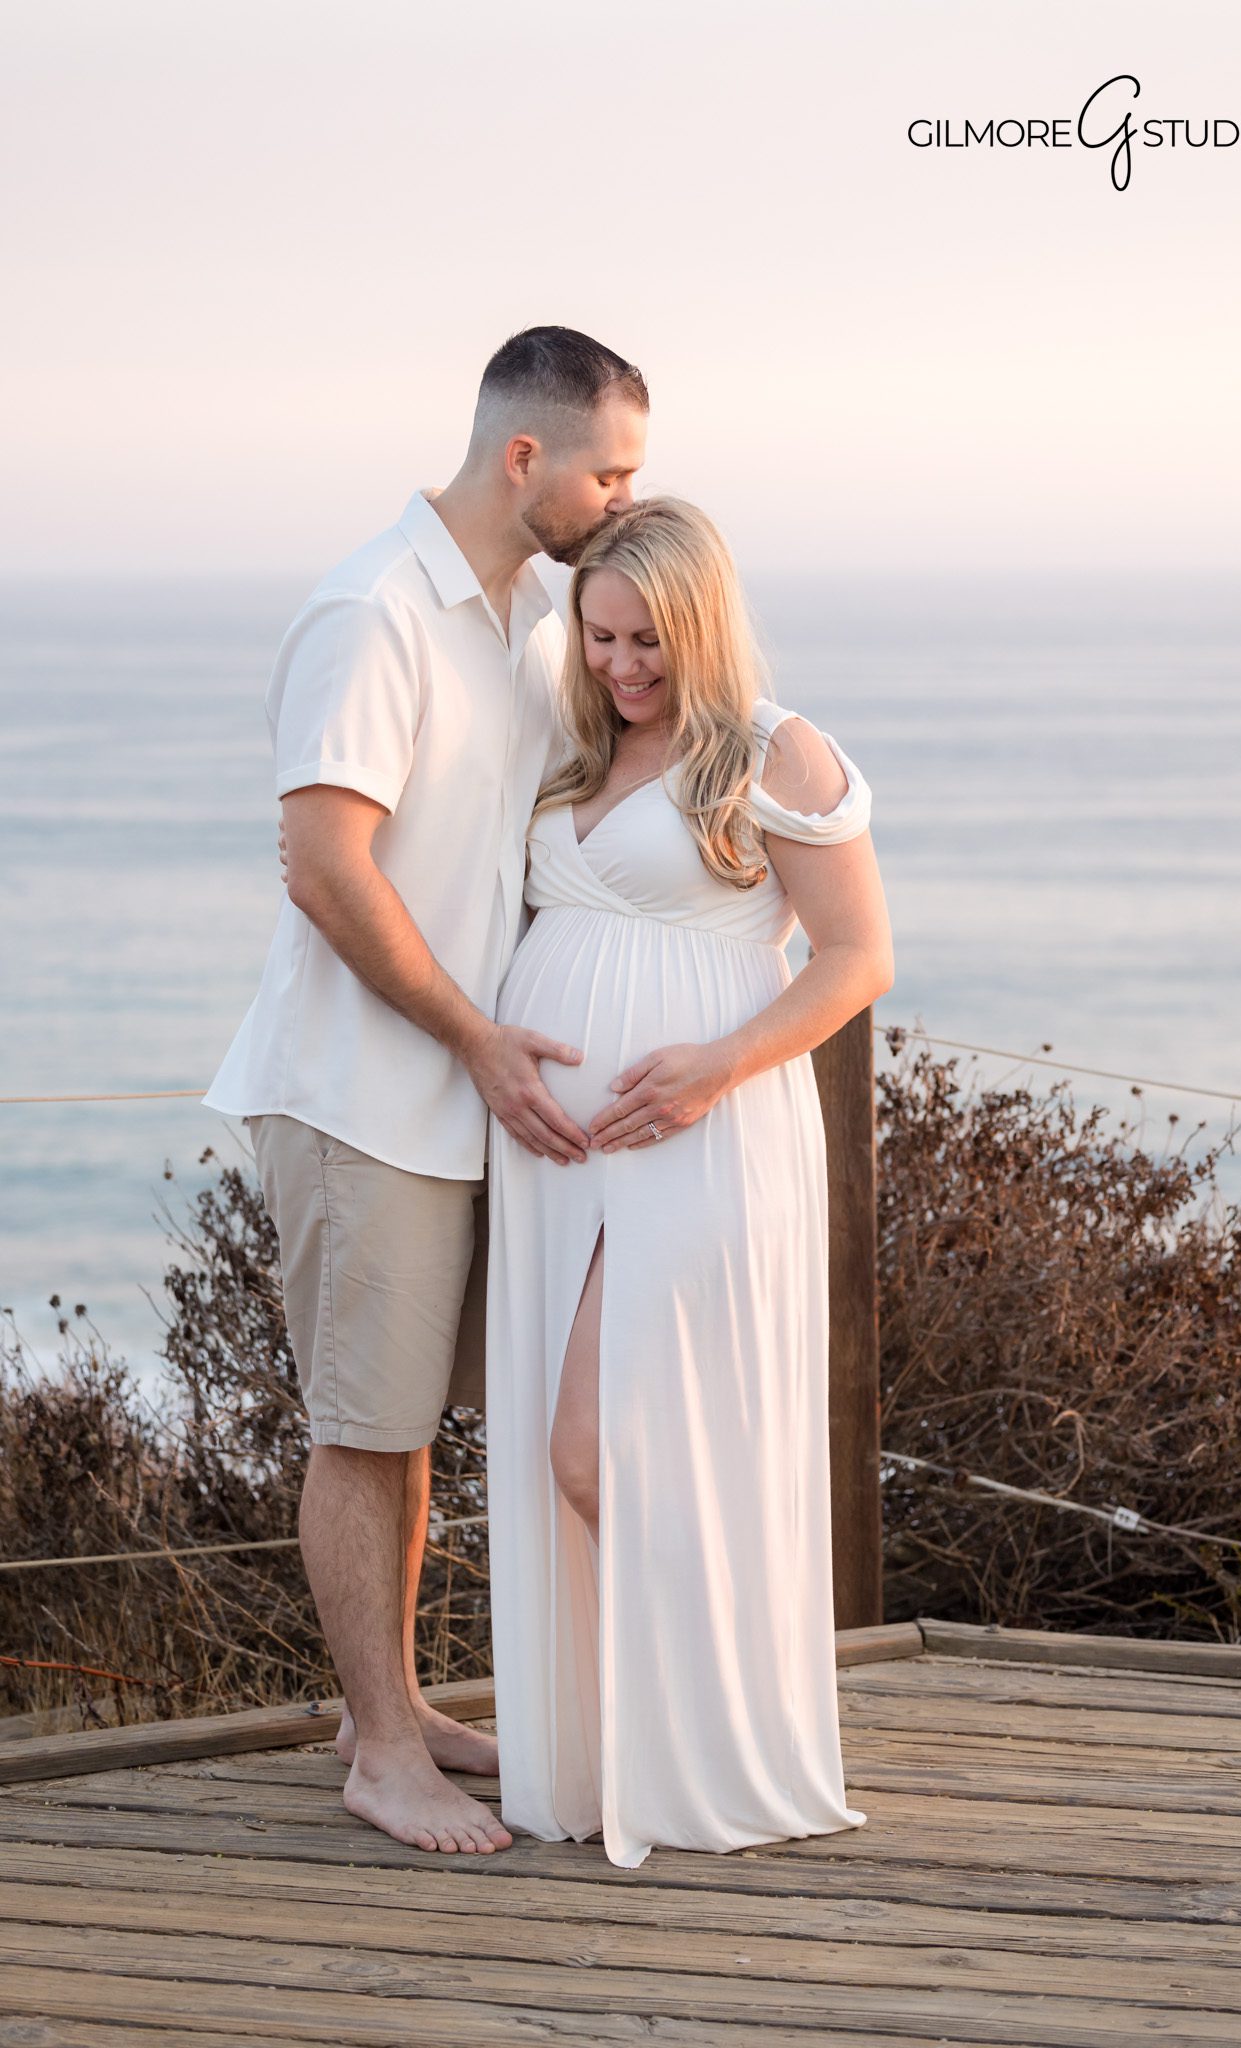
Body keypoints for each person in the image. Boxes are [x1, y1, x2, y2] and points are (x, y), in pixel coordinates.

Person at [203, 326, 649, 1856]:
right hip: (359, 1095)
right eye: (610, 470)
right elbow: (326, 866)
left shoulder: (534, 617)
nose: (622, 498)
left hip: (461, 1101)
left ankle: (385, 1703)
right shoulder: (373, 610)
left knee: (418, 1428)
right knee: (365, 1426)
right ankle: (380, 1753)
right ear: (523, 457)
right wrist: (473, 1033)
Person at [485, 495, 894, 1867]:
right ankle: (620, 1756)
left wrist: (717, 1066)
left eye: (647, 639)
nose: (619, 665)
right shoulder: (577, 743)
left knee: (601, 1451)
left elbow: (854, 960)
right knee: (586, 1453)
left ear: (700, 622)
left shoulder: (774, 752)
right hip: (565, 1160)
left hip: (702, 1140)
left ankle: (714, 1741)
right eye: (598, 636)